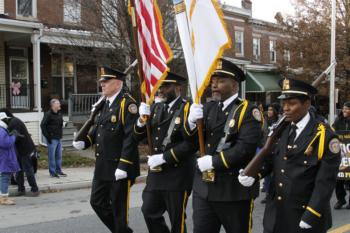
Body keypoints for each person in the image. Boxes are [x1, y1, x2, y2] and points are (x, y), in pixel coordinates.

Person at [239, 78, 341, 233]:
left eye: (291, 103)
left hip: (304, 214)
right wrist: (255, 174)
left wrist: (311, 214)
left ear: (307, 104)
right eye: (283, 103)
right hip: (276, 214)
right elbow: (272, 159)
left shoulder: (324, 136)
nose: (285, 108)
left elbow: (325, 182)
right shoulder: (280, 130)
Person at [184, 58, 263, 233]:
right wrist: (190, 123)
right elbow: (193, 142)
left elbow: (245, 148)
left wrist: (213, 162)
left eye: (220, 81)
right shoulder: (209, 108)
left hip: (232, 191)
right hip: (204, 190)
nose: (214, 85)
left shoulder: (248, 110)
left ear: (235, 85)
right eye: (213, 81)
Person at [72, 66, 139, 233]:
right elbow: (98, 132)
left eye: (106, 81)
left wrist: (123, 165)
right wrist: (85, 141)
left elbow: (131, 137)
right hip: (103, 166)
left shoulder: (127, 104)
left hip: (119, 167)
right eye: (101, 81)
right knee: (97, 202)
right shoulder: (104, 104)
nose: (102, 84)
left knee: (118, 211)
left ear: (117, 83)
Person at [134, 72, 196, 233]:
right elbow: (137, 137)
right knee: (148, 211)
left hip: (178, 174)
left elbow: (191, 144)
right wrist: (141, 120)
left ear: (178, 88)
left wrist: (164, 157)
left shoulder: (188, 108)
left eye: (166, 86)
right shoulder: (155, 107)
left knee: (177, 220)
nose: (161, 90)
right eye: (159, 86)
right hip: (156, 175)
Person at [0, 108, 39, 197]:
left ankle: (35, 190)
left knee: (28, 169)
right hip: (18, 149)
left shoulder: (14, 122)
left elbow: (14, 137)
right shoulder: (10, 122)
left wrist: (10, 136)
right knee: (18, 170)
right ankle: (21, 189)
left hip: (25, 149)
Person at [40, 99, 66, 178]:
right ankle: (52, 172)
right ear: (53, 105)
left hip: (58, 137)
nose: (59, 104)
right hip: (52, 139)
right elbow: (42, 125)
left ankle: (58, 170)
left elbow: (61, 124)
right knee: (52, 156)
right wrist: (48, 136)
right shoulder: (48, 114)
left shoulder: (59, 114)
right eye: (58, 103)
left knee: (58, 156)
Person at [260, 103, 280, 203]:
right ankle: (268, 194)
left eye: (271, 110)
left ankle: (276, 193)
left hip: (276, 151)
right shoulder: (265, 121)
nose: (269, 111)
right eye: (268, 109)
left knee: (276, 174)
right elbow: (262, 134)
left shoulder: (280, 122)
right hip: (266, 150)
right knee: (267, 174)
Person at [0, 113, 21, 205]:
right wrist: (13, 136)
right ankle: (4, 198)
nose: (8, 121)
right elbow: (6, 143)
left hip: (3, 157)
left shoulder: (3, 130)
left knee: (3, 177)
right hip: (4, 158)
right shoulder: (1, 130)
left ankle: (2, 197)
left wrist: (11, 135)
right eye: (6, 120)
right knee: (4, 177)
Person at [332, 101, 350, 209]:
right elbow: (332, 131)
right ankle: (341, 200)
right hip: (341, 154)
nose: (344, 110)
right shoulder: (338, 120)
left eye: (347, 108)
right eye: (344, 108)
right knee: (339, 178)